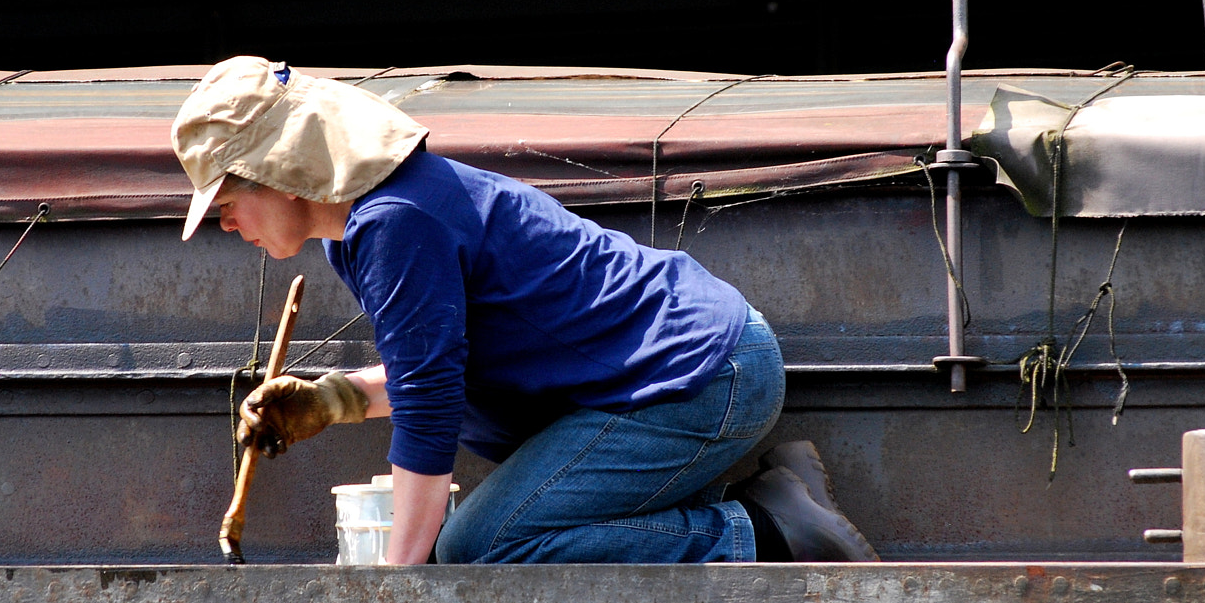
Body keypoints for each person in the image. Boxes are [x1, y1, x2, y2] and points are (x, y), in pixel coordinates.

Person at [170, 55, 877, 565]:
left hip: (701, 377)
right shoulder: (364, 229)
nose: (228, 224)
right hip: (688, 369)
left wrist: (397, 589)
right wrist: (337, 399)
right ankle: (781, 498)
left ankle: (762, 528)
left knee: (483, 544)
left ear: (278, 170)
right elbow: (445, 361)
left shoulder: (392, 223)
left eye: (228, 202)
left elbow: (430, 400)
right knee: (473, 541)